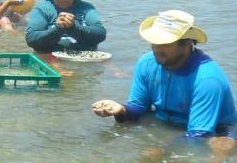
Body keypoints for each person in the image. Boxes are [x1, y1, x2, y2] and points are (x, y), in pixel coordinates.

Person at [92, 10, 236, 160]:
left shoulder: (208, 79)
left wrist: (164, 150)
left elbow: (200, 134)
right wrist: (121, 109)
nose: (156, 48)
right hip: (165, 118)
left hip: (214, 129)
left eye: (165, 43)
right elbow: (139, 107)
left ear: (186, 43)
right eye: (154, 42)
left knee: (221, 149)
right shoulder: (146, 63)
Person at [25, 0, 106, 52]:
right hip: (51, 57)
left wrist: (73, 28)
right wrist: (58, 29)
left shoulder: (86, 8)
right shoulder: (42, 9)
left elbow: (100, 34)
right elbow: (31, 39)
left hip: (84, 56)